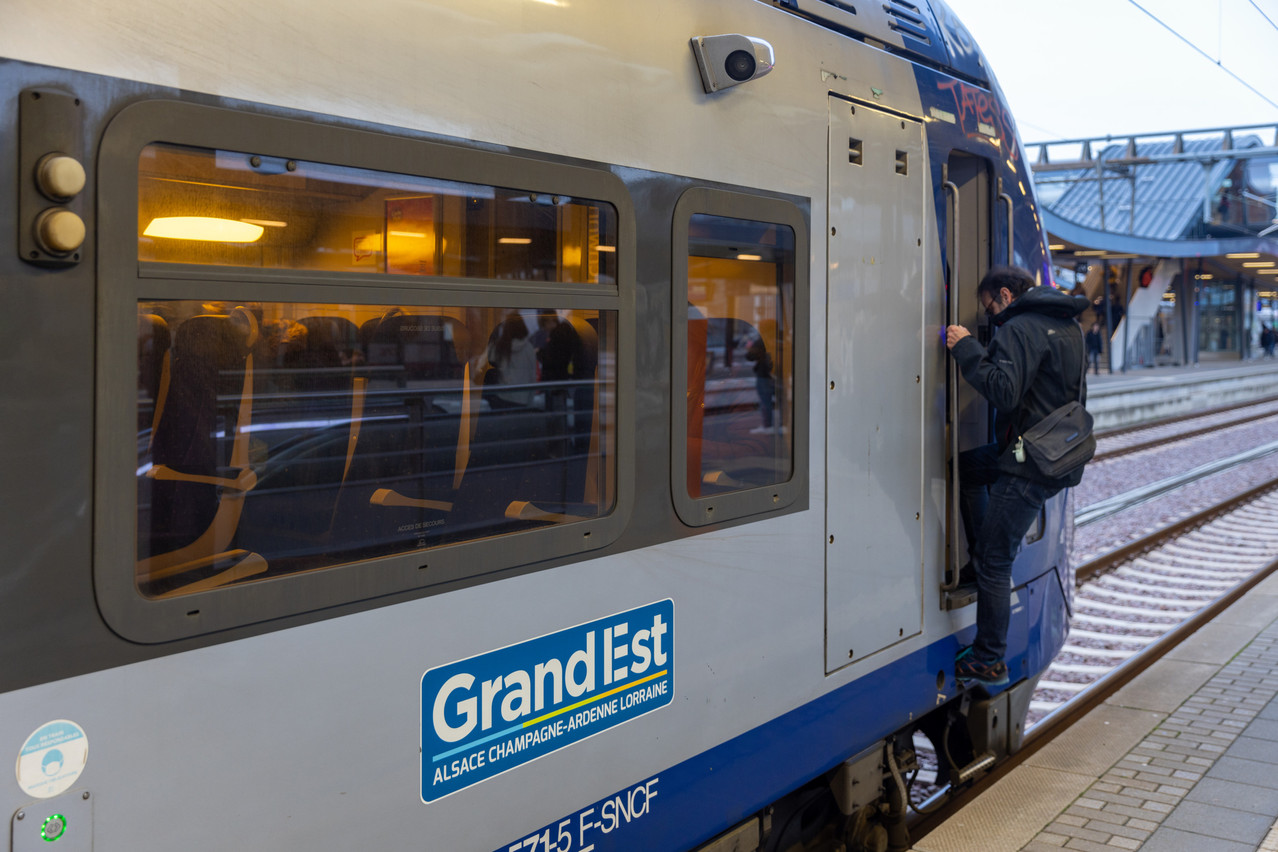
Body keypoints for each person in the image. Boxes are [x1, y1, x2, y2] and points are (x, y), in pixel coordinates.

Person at [945, 265, 1090, 687]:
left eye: (990, 308)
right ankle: (977, 562)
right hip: (1057, 448)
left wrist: (967, 348)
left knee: (996, 558)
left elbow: (1004, 391)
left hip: (1030, 461)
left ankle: (989, 657)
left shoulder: (1020, 327)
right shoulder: (1068, 326)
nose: (991, 318)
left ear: (1005, 295)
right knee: (969, 468)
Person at [485, 312, 536, 407]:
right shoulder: (529, 348)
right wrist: (530, 400)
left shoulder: (500, 346)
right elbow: (533, 376)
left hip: (503, 395)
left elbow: (488, 363)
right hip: (522, 398)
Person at [745, 336, 775, 432]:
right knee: (782, 402)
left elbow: (750, 356)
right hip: (780, 374)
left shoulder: (761, 341)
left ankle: (768, 425)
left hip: (764, 375)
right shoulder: (782, 338)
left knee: (765, 402)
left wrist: (750, 348)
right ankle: (783, 425)